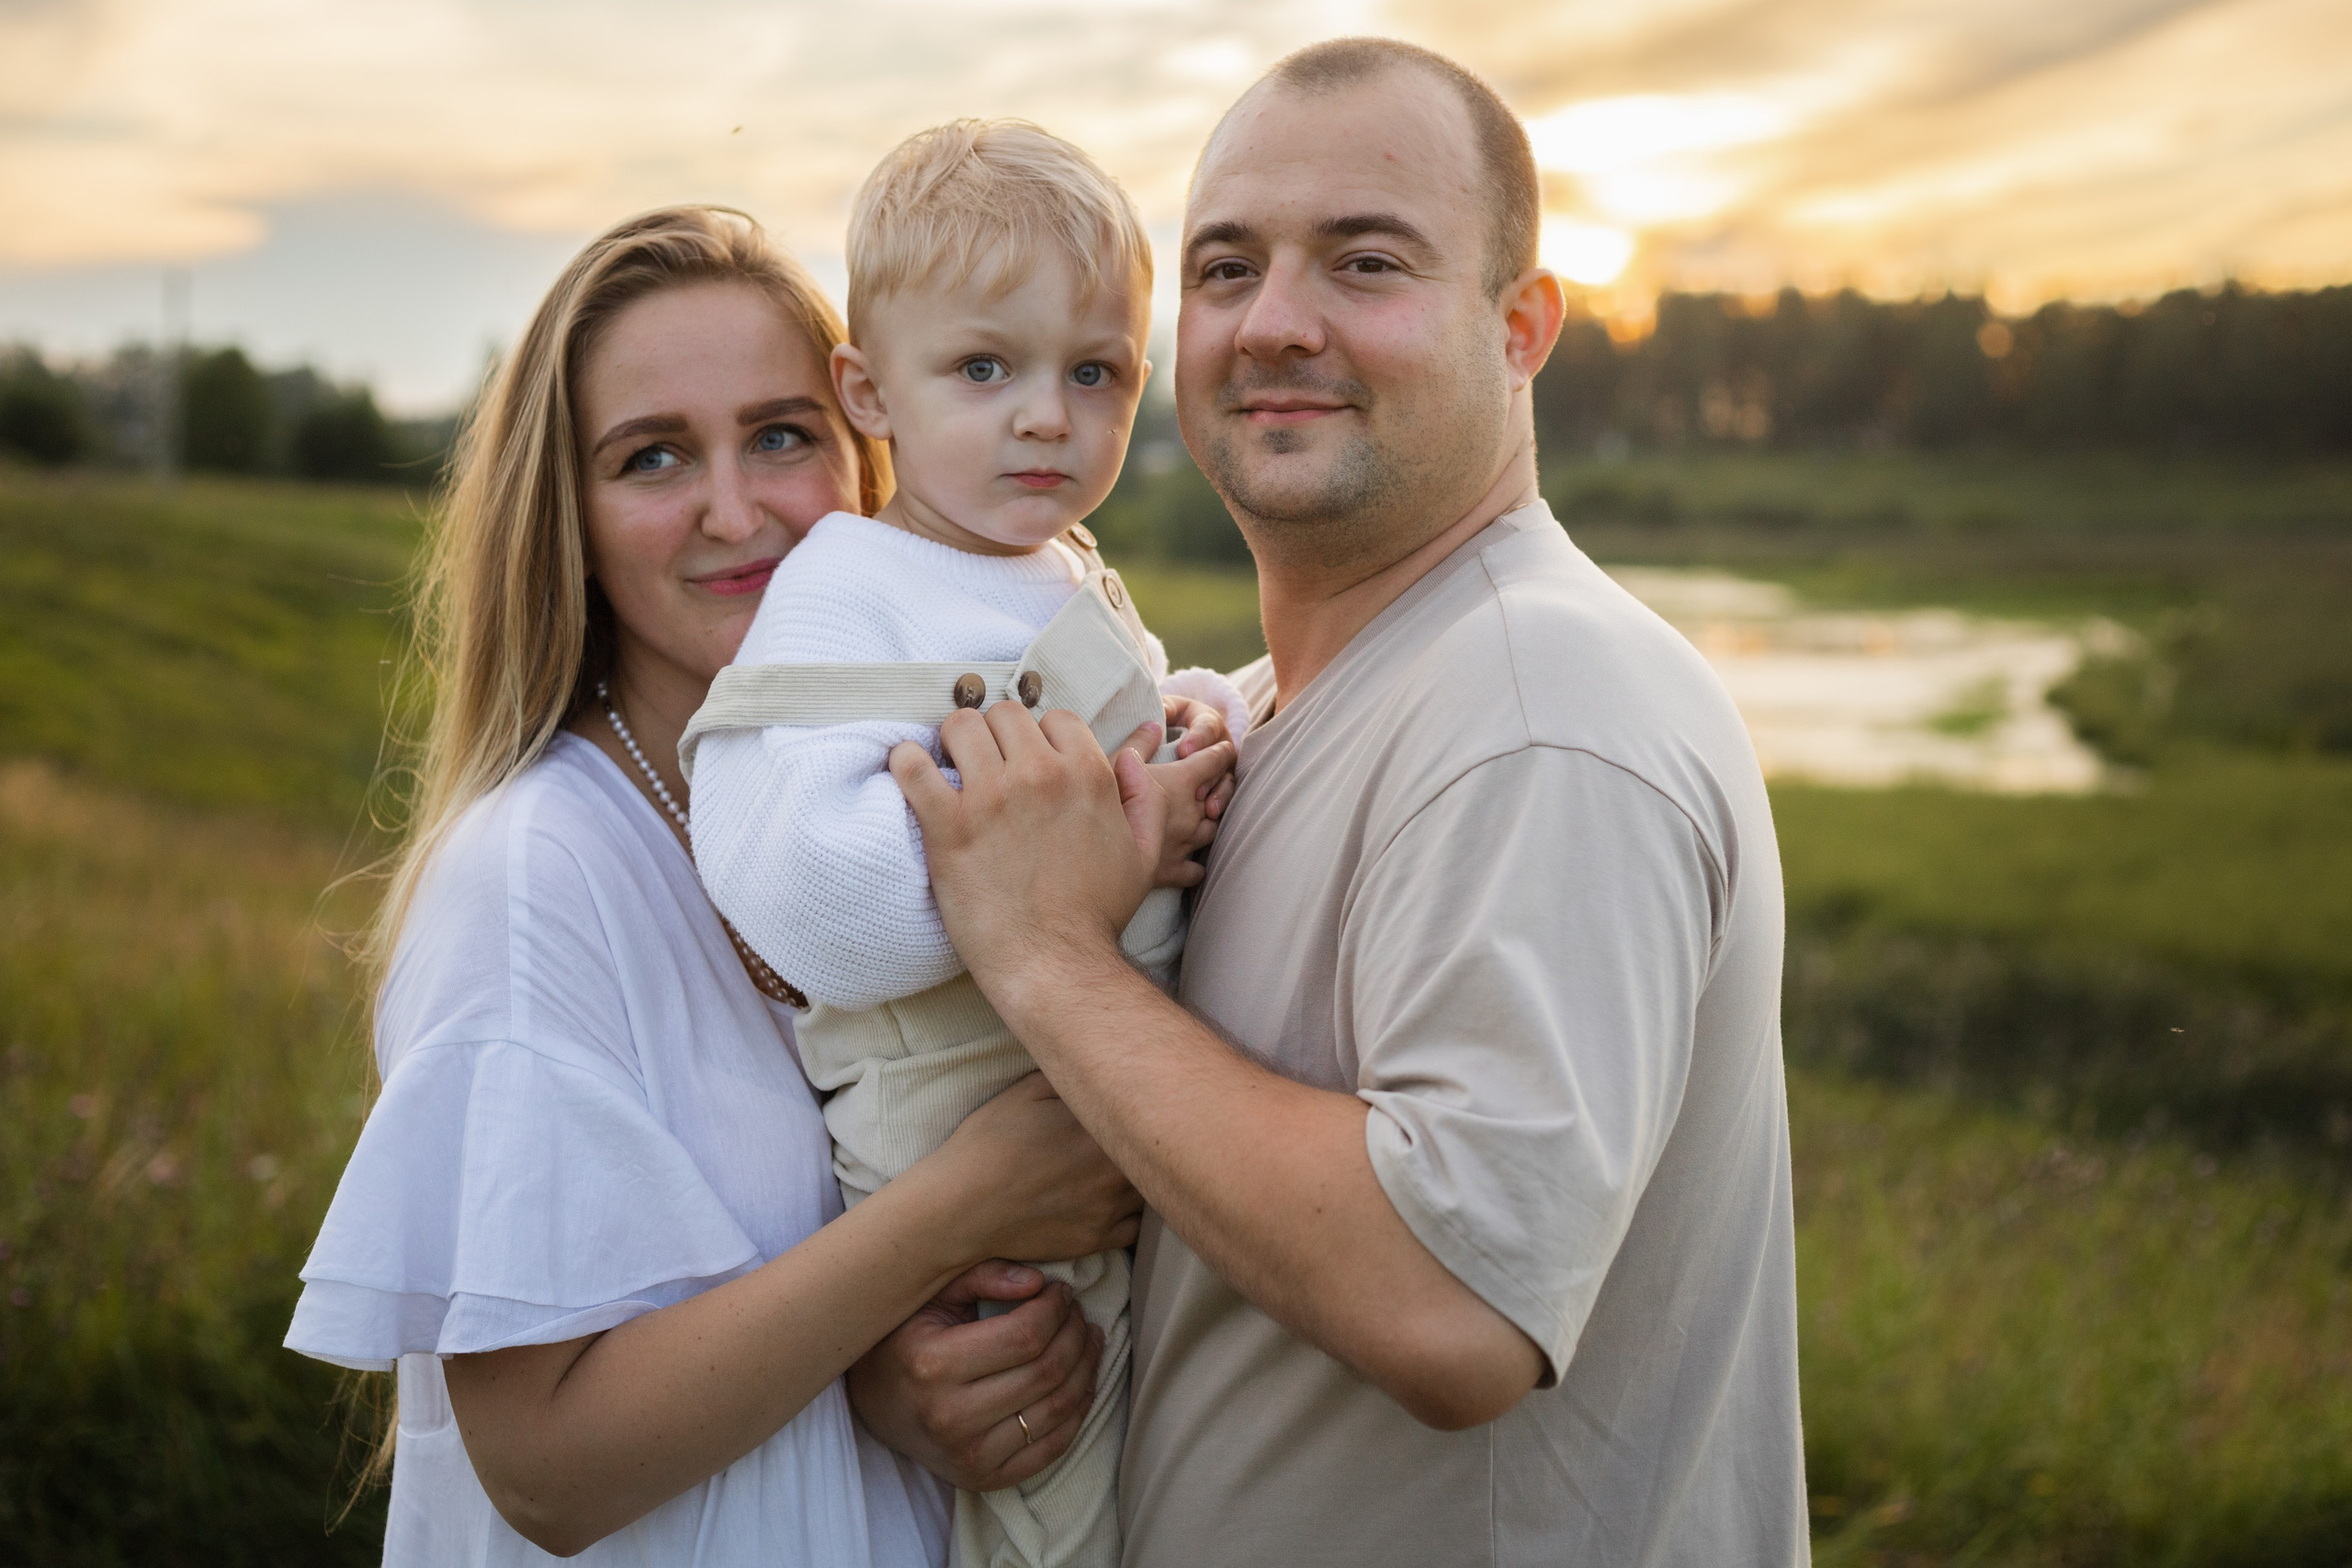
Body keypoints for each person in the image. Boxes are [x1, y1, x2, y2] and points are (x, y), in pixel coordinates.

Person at [854, 39, 1809, 1566]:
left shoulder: (1541, 709)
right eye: (1226, 269)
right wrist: (942, 1372)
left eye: (1366, 263)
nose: (1275, 323)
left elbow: (1452, 1305)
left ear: (1520, 327)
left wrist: (1046, 957)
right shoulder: (1259, 710)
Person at [282, 206, 1191, 1565]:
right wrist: (966, 1205)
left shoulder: (902, 794)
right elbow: (546, 1467)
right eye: (652, 457)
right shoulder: (537, 875)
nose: (735, 509)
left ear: (866, 434)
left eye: (779, 436)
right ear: (570, 517)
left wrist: (888, 1385)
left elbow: (775, 1309)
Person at [680, 120, 1243, 1568]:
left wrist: (1193, 717)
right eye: (986, 370)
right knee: (1047, 1501)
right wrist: (1118, 845)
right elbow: (811, 901)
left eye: (1095, 373)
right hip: (961, 1152)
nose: (1047, 416)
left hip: (1102, 1125)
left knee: (1166, 1472)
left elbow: (1111, 725)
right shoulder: (847, 590)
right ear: (870, 393)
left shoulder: (1060, 570)